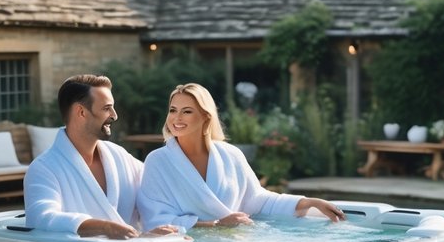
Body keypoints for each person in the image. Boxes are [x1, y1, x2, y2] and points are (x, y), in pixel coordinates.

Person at [137, 83, 346, 231]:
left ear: (205, 117)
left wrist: (308, 202)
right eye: (173, 110)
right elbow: (155, 220)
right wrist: (215, 225)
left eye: (187, 111)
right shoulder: (158, 161)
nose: (177, 118)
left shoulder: (231, 155)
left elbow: (258, 200)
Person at [24, 74, 179, 238]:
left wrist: (150, 233)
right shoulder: (44, 168)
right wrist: (105, 227)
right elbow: (41, 217)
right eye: (106, 108)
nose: (114, 115)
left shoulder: (118, 155)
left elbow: (156, 189)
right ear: (81, 112)